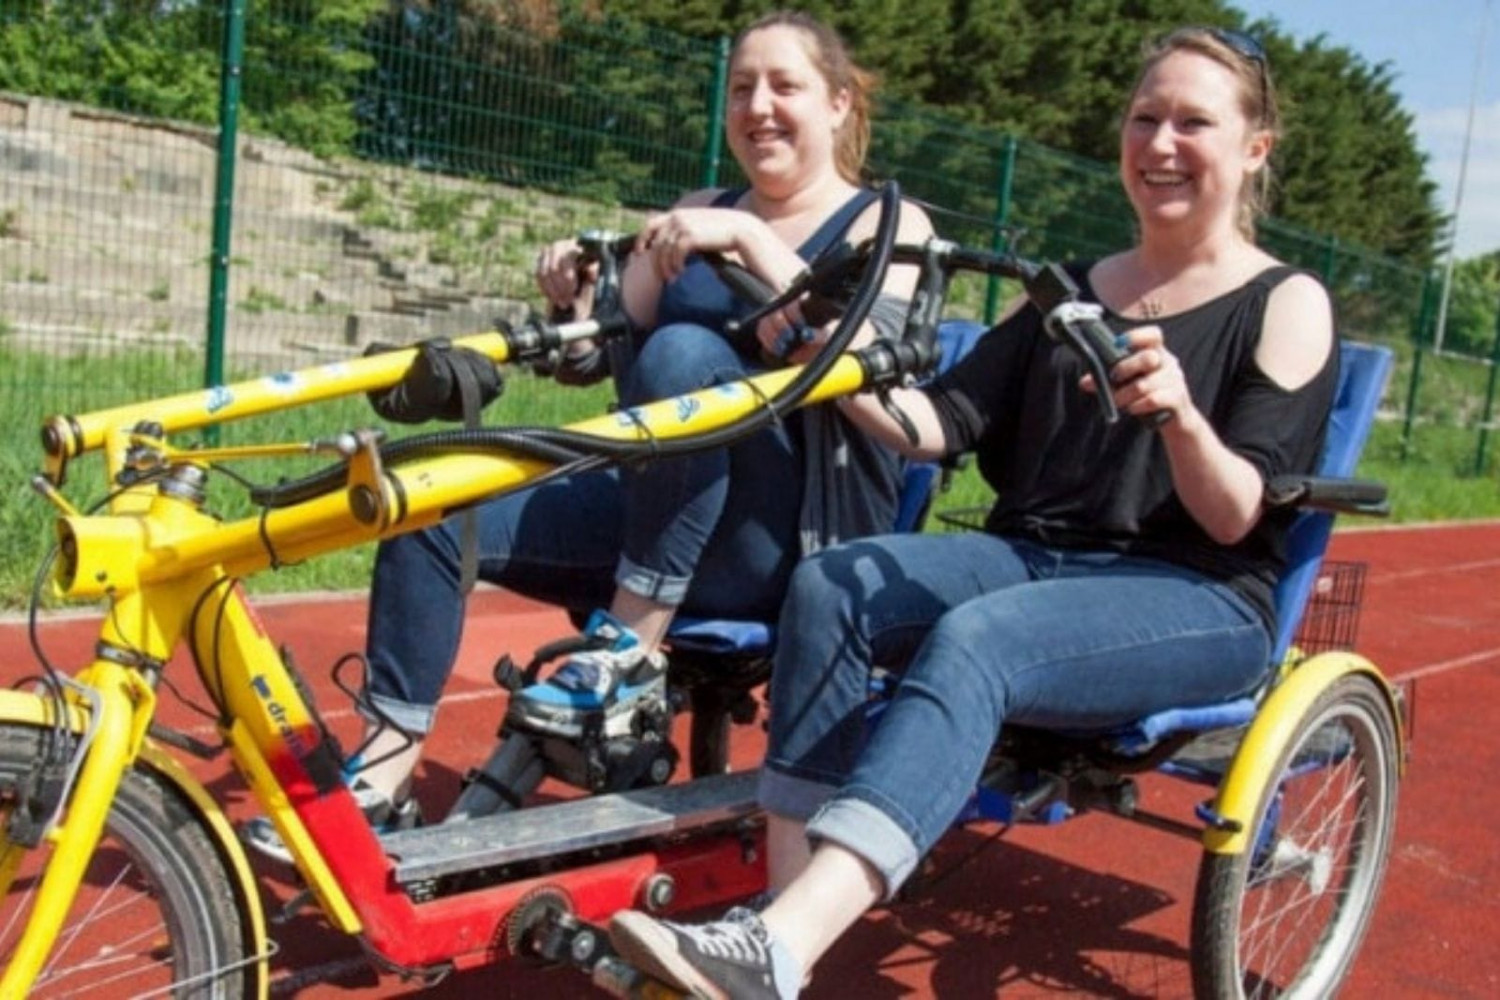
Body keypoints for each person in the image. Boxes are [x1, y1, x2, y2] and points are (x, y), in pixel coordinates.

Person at [608, 25, 1338, 999]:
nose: (1160, 143)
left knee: (981, 638)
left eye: (1193, 122)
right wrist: (831, 364)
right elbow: (936, 422)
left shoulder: (1284, 301)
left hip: (1196, 592)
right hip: (1038, 560)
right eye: (1144, 118)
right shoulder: (1071, 291)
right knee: (832, 582)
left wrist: (1179, 420)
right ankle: (779, 941)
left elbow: (1236, 514)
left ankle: (777, 943)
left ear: (1253, 148)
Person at [245, 10, 933, 859]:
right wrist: (572, 296)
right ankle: (383, 780)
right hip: (659, 511)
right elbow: (595, 352)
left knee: (685, 349)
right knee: (433, 503)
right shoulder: (696, 212)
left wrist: (753, 241)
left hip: (785, 548)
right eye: (742, 88)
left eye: (784, 86)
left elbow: (883, 370)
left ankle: (631, 652)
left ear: (835, 104)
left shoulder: (887, 227)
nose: (758, 106)